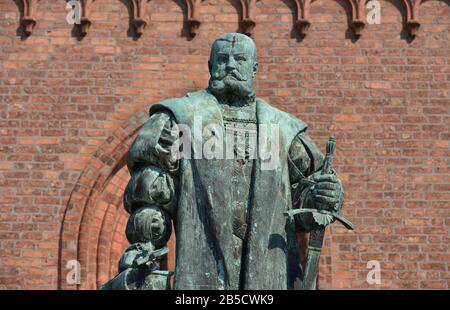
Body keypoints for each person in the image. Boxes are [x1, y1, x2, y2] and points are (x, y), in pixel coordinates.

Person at [104, 32, 344, 290]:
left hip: (268, 275)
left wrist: (325, 194)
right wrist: (145, 257)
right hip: (201, 272)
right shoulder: (182, 118)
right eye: (222, 59)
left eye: (240, 59)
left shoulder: (282, 128)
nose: (230, 65)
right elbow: (152, 197)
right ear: (210, 66)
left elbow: (306, 197)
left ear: (254, 68)